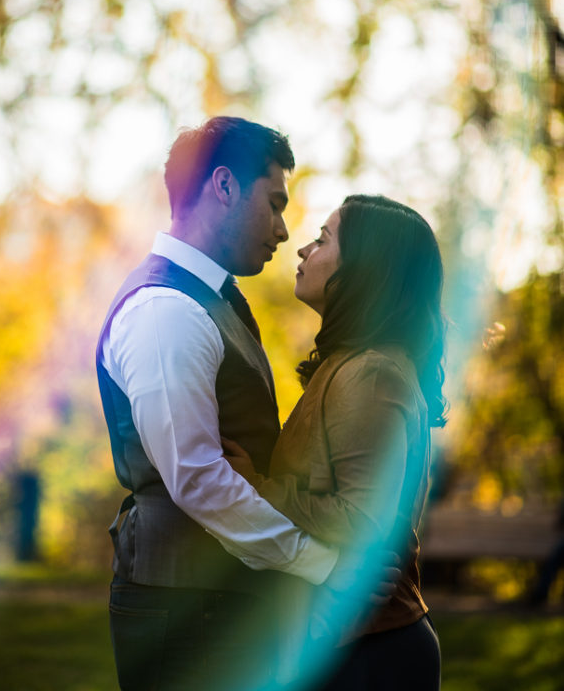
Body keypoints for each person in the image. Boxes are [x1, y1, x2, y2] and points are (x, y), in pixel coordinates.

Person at [96, 118, 390, 691]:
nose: (284, 231)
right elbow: (199, 478)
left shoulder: (211, 297)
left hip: (212, 598)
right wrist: (325, 566)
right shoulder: (166, 309)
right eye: (275, 203)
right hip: (181, 603)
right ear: (224, 186)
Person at [224, 194, 445, 690]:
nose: (302, 249)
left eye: (323, 239)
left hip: (372, 649)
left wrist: (256, 487)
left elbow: (362, 520)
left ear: (367, 267)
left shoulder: (372, 373)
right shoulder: (349, 365)